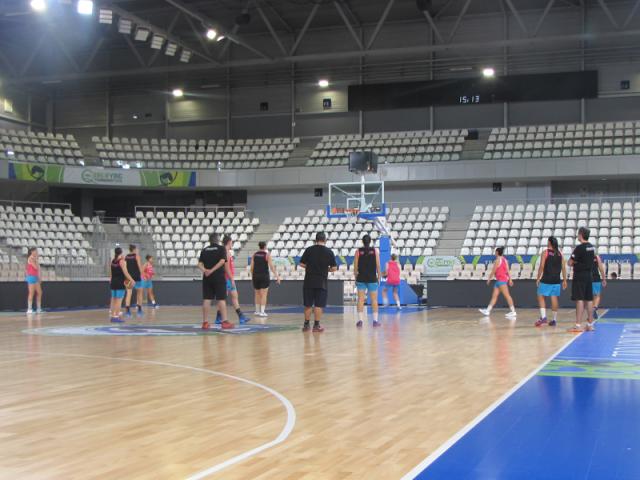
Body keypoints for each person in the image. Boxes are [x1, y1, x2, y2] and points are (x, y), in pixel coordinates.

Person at [299, 232, 337, 332]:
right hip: (321, 282)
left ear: (316, 240)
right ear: (325, 240)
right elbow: (334, 268)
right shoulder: (329, 252)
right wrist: (326, 269)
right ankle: (316, 326)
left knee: (308, 304)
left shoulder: (309, 250)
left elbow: (301, 264)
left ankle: (306, 325)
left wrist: (310, 267)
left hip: (308, 281)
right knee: (318, 304)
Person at [197, 233, 233, 330]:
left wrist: (205, 271)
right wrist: (212, 270)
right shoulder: (221, 249)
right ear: (218, 240)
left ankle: (205, 322)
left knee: (207, 299)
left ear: (210, 240)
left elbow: (199, 264)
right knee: (221, 299)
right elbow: (222, 261)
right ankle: (224, 322)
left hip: (207, 278)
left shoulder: (204, 250)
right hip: (219, 277)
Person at [216, 235, 249, 325]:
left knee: (229, 297)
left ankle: (219, 317)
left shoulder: (225, 252)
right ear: (229, 242)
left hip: (226, 278)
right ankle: (240, 317)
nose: (232, 244)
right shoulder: (226, 252)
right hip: (227, 278)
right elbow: (227, 268)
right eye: (232, 242)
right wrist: (232, 279)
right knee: (230, 297)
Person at [535, 236, 567, 327]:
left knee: (540, 296)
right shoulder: (560, 253)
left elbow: (541, 266)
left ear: (549, 242)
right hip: (556, 280)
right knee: (554, 298)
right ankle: (554, 320)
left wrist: (538, 278)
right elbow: (563, 268)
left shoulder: (545, 252)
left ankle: (544, 318)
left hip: (546, 278)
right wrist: (564, 280)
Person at [568, 226, 596, 332]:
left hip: (580, 276)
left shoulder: (579, 248)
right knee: (589, 299)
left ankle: (578, 325)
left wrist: (576, 262)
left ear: (580, 235)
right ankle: (590, 324)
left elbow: (569, 262)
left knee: (579, 299)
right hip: (589, 275)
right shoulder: (591, 247)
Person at [479, 247, 517, 319]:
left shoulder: (497, 261)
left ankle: (513, 311)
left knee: (507, 296)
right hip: (499, 281)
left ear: (497, 252)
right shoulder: (505, 260)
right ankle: (488, 310)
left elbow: (493, 271)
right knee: (494, 296)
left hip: (502, 280)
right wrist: (510, 279)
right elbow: (508, 270)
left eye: (495, 252)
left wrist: (489, 279)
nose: (495, 253)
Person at [354, 234, 382, 328]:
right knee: (374, 300)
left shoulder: (358, 251)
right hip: (372, 278)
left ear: (362, 241)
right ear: (370, 241)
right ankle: (375, 321)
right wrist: (379, 276)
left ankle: (360, 321)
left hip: (361, 278)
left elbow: (355, 267)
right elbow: (378, 265)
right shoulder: (375, 251)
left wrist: (355, 277)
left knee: (360, 300)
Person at [250, 241, 281, 317]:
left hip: (255, 276)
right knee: (264, 294)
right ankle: (262, 312)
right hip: (264, 276)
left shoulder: (254, 254)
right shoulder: (267, 255)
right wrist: (277, 276)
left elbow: (251, 267)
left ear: (259, 246)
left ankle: (257, 311)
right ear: (265, 247)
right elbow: (272, 267)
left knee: (257, 293)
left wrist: (253, 276)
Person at [109, 247, 134, 323]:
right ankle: (116, 317)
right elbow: (125, 273)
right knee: (119, 300)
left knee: (113, 299)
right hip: (120, 282)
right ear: (121, 253)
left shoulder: (112, 261)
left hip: (113, 282)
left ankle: (113, 316)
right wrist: (132, 280)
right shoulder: (122, 261)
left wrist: (111, 280)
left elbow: (111, 273)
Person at [124, 244, 144, 317]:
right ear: (134, 249)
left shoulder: (126, 257)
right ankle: (139, 310)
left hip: (128, 277)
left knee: (129, 294)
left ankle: (127, 312)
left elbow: (125, 268)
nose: (137, 250)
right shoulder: (137, 256)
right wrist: (143, 275)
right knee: (140, 293)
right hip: (137, 277)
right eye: (136, 249)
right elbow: (139, 267)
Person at [25, 247, 43, 314]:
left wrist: (39, 277)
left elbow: (38, 269)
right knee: (31, 293)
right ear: (32, 252)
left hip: (35, 277)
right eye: (35, 251)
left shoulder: (35, 259)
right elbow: (35, 267)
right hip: (31, 277)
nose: (37, 252)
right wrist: (36, 260)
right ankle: (29, 309)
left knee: (39, 292)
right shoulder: (31, 258)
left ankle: (39, 308)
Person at [591, 253, 607, 320]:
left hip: (587, 278)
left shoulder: (583, 256)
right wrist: (604, 279)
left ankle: (592, 313)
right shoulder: (596, 257)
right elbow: (601, 268)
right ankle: (595, 308)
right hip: (596, 278)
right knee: (597, 296)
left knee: (590, 298)